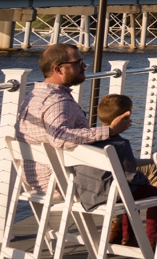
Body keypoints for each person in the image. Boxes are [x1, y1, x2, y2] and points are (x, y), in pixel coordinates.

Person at [16, 43, 132, 195]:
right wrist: (110, 131)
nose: (84, 66)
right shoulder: (57, 101)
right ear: (58, 69)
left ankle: (121, 217)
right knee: (149, 174)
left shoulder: (34, 97)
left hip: (38, 181)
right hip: (64, 183)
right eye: (77, 63)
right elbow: (59, 138)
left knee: (134, 172)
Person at [70, 93, 157, 252]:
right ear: (125, 116)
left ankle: (127, 235)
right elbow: (129, 176)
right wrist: (144, 180)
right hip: (111, 195)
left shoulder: (87, 141)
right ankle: (153, 238)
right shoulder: (121, 144)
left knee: (128, 193)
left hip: (87, 195)